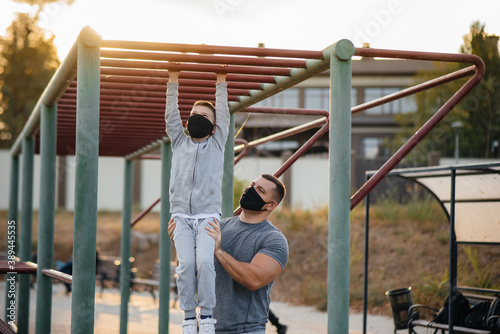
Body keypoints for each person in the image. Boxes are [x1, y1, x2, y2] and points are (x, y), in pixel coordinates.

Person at [169, 174, 289, 334]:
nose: (251, 190)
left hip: (245, 330)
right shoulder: (218, 226)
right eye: (252, 184)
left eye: (260, 190)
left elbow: (255, 279)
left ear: (270, 205)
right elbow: (191, 273)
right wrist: (183, 245)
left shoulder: (273, 239)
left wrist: (218, 252)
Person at [165, 70, 229, 334]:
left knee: (204, 261)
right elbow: (171, 116)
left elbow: (224, 113)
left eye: (205, 117)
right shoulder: (179, 141)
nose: (197, 119)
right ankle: (189, 317)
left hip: (207, 216)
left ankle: (208, 316)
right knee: (185, 264)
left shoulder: (217, 144)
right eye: (194, 115)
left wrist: (221, 83)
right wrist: (172, 80)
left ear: (214, 127)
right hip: (180, 216)